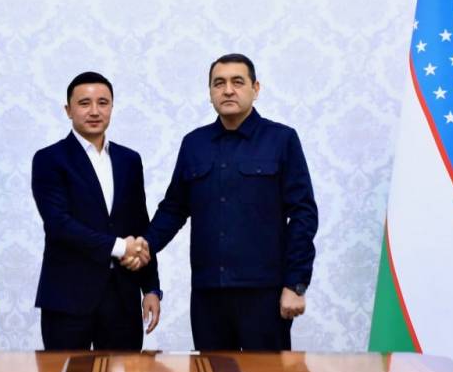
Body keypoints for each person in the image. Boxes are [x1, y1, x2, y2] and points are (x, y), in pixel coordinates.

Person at [126, 54, 318, 351]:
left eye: (237, 82)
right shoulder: (194, 144)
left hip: (264, 295)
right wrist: (144, 247)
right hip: (208, 296)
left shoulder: (281, 140)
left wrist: (296, 284)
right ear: (210, 92)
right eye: (219, 83)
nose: (228, 90)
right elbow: (174, 209)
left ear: (255, 88)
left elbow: (304, 215)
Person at [32, 71, 162, 350]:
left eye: (103, 103)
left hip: (122, 298)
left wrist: (151, 288)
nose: (94, 111)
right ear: (68, 110)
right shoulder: (49, 159)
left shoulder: (129, 160)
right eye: (84, 103)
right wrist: (120, 247)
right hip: (68, 298)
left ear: (112, 107)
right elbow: (58, 224)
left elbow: (140, 225)